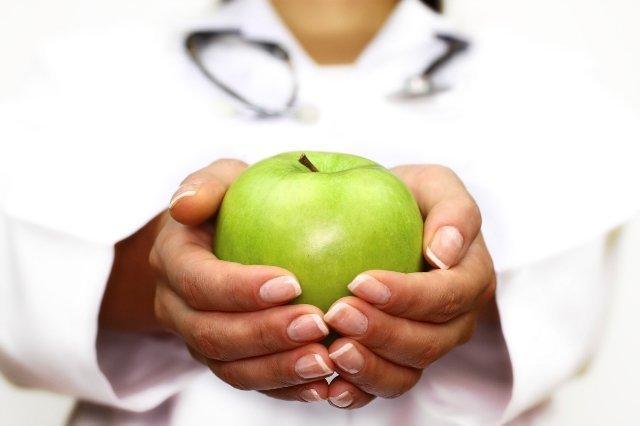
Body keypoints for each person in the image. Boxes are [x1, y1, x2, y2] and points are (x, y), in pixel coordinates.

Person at [0, 0, 638, 424]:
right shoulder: (88, 70)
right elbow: (27, 297)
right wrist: (172, 269)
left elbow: (563, 310)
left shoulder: (553, 82)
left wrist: (455, 273)